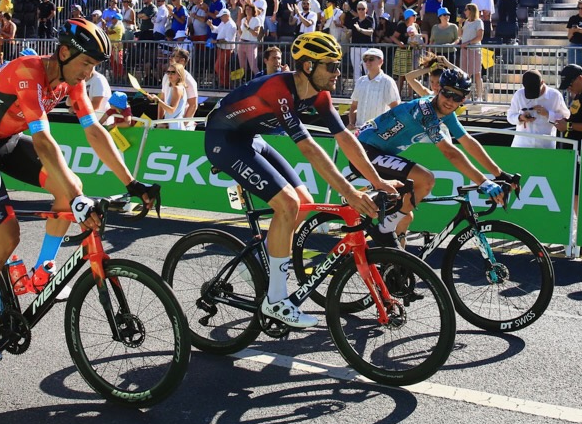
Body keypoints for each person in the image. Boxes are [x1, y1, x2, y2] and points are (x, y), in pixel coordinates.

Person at [0, 18, 153, 363]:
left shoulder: (71, 81)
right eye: (86, 63)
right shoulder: (28, 71)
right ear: (63, 53)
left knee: (72, 185)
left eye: (94, 66)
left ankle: (43, 268)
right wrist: (77, 204)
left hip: (7, 141)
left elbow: (95, 133)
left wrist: (131, 182)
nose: (88, 73)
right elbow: (43, 141)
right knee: (6, 237)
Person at [203, 32, 400, 329]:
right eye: (331, 66)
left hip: (250, 138)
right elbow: (308, 149)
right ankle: (276, 301)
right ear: (308, 66)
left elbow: (345, 138)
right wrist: (348, 193)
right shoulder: (278, 89)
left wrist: (377, 181)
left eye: (338, 65)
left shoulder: (320, 94)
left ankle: (261, 261)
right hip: (223, 141)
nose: (338, 73)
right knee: (287, 204)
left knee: (303, 204)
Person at [353, 67, 508, 242]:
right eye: (447, 93)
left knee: (405, 217)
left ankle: (394, 264)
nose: (450, 100)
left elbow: (468, 142)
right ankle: (382, 229)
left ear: (463, 100)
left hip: (378, 152)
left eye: (456, 97)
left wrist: (499, 174)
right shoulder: (425, 111)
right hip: (365, 151)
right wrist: (484, 182)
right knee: (426, 179)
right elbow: (450, 153)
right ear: (438, 90)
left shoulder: (445, 112)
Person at [507, 70, 568, 149]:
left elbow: (566, 117)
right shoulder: (519, 94)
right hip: (521, 145)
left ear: (542, 82)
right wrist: (520, 117)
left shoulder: (555, 95)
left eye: (535, 90)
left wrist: (548, 114)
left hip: (545, 147)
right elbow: (510, 116)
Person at [347, 47, 400, 128]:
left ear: (381, 61)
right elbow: (354, 106)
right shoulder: (360, 81)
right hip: (360, 131)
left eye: (371, 59)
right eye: (365, 59)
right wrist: (351, 123)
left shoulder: (388, 82)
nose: (367, 62)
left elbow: (395, 109)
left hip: (378, 133)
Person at [456, 3, 485, 99]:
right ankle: (467, 96)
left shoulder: (479, 22)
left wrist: (468, 43)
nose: (464, 11)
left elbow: (479, 37)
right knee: (465, 74)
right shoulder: (466, 22)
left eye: (466, 9)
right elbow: (460, 35)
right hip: (465, 50)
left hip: (474, 50)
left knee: (477, 73)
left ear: (471, 10)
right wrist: (460, 24)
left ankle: (479, 96)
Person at [147, 65, 188, 129]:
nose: (169, 74)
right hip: (172, 124)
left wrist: (157, 100)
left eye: (173, 72)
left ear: (179, 74)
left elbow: (171, 110)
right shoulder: (175, 88)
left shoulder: (177, 88)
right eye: (168, 72)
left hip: (175, 126)